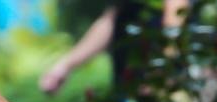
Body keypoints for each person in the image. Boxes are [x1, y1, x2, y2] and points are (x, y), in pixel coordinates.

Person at [38, 0, 189, 96]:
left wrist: (162, 75)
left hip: (163, 89)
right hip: (130, 87)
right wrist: (65, 65)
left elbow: (175, 13)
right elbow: (110, 21)